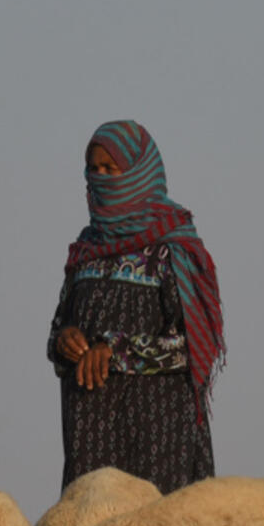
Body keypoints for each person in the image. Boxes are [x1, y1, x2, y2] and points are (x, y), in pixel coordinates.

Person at [48, 120, 225, 494]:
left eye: (110, 170)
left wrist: (113, 351)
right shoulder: (85, 253)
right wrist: (66, 341)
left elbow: (191, 348)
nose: (100, 178)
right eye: (92, 170)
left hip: (157, 447)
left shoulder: (173, 250)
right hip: (89, 446)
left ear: (138, 173)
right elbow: (55, 335)